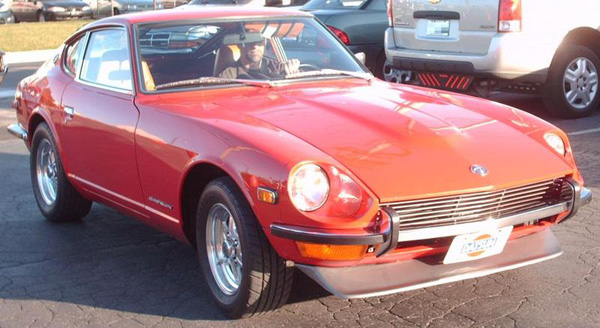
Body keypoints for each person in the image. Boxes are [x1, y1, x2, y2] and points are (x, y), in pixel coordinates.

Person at [219, 37, 300, 80]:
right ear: (239, 45)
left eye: (259, 40)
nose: (255, 46)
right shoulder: (229, 75)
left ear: (265, 42)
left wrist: (294, 69)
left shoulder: (275, 66)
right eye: (250, 41)